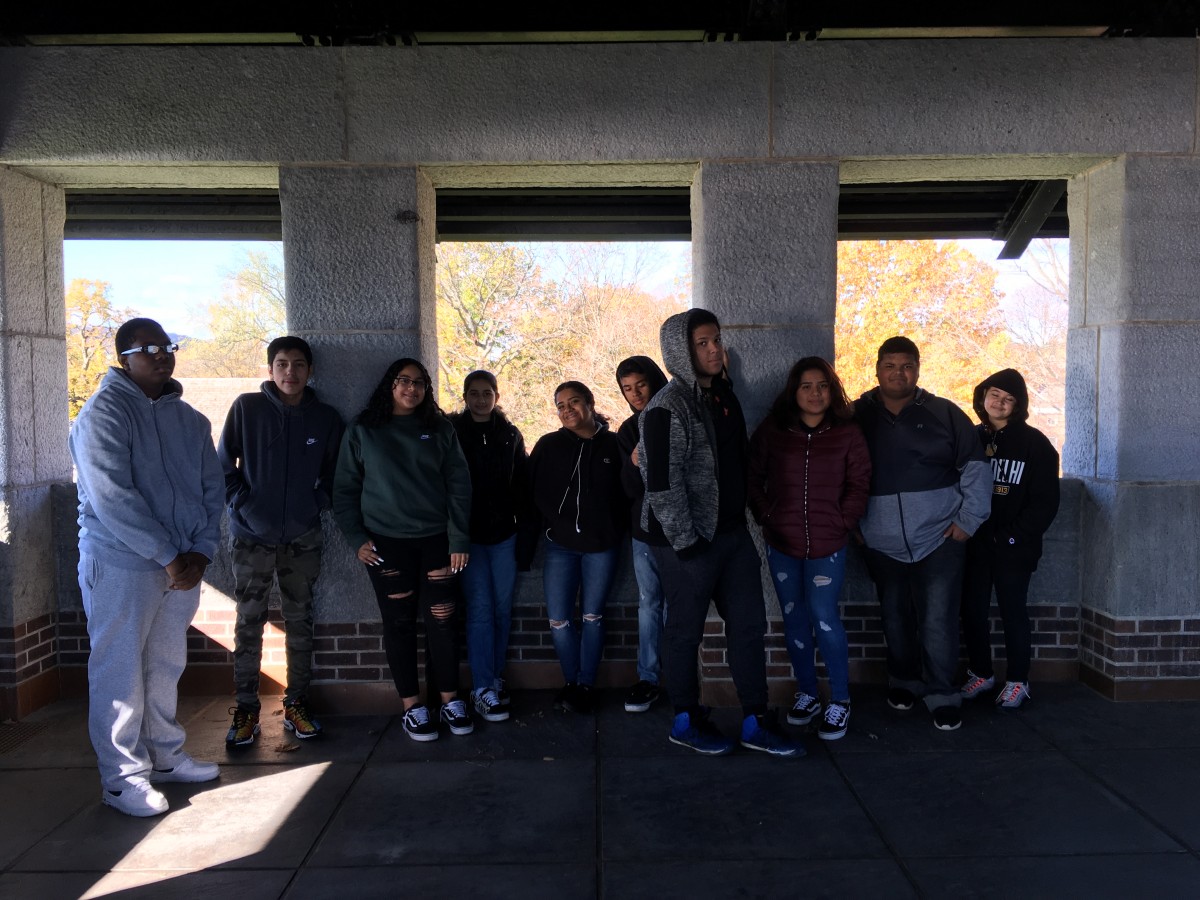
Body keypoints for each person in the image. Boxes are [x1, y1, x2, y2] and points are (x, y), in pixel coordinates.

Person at [70, 317, 223, 817]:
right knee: (119, 673)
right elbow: (113, 498)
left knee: (164, 665)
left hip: (182, 568)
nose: (161, 354)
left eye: (167, 345)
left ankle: (164, 757)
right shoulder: (102, 415)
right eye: (147, 347)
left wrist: (200, 552)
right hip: (122, 565)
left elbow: (211, 491)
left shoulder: (191, 421)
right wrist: (169, 556)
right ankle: (121, 780)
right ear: (124, 358)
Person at [640, 309, 802, 757]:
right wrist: (688, 543)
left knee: (749, 628)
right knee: (685, 632)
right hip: (686, 543)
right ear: (681, 352)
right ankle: (685, 720)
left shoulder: (723, 397)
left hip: (733, 536)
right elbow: (661, 485)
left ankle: (755, 720)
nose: (714, 350)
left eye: (716, 340)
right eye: (702, 344)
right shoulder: (666, 408)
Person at [854, 336, 992, 732]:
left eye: (907, 365)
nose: (899, 373)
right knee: (895, 616)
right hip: (880, 542)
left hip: (940, 539)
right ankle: (904, 681)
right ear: (876, 368)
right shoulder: (854, 415)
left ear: (918, 367)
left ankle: (942, 693)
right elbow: (838, 474)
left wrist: (967, 523)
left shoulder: (944, 413)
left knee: (938, 619)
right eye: (890, 365)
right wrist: (856, 528)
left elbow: (976, 469)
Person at [333, 358, 474, 742]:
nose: (411, 388)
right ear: (389, 386)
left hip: (437, 543)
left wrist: (458, 538)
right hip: (386, 545)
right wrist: (356, 538)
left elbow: (459, 487)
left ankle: (449, 700)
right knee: (398, 624)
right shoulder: (364, 430)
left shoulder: (439, 429)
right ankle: (413, 707)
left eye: (419, 383)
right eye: (403, 381)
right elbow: (344, 490)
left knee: (443, 622)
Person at [218, 336, 344, 746]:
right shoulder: (246, 409)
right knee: (248, 621)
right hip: (251, 536)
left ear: (310, 370)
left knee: (300, 620)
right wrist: (243, 503)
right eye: (282, 364)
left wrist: (314, 504)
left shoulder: (325, 417)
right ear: (271, 369)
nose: (290, 372)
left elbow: (335, 473)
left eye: (299, 365)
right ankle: (245, 709)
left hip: (302, 536)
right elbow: (223, 467)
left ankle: (297, 703)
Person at [749, 357, 871, 741]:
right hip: (782, 542)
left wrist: (843, 520)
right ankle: (807, 692)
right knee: (794, 618)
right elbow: (751, 476)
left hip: (828, 544)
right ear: (794, 391)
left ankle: (840, 699)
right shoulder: (773, 431)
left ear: (832, 390)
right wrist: (766, 516)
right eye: (806, 386)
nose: (815, 393)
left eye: (822, 385)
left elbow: (860, 482)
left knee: (824, 617)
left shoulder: (848, 433)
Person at [960, 368, 1060, 709]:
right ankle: (982, 673)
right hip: (974, 544)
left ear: (1018, 405)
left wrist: (1013, 537)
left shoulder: (1036, 445)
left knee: (1012, 611)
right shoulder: (970, 439)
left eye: (1009, 399)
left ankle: (1018, 680)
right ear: (982, 396)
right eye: (995, 395)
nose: (1000, 403)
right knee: (971, 610)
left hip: (1014, 548)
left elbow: (1045, 502)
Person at [529, 381, 627, 715]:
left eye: (574, 402)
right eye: (560, 405)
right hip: (561, 546)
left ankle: (586, 684)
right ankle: (570, 682)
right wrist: (551, 522)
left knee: (592, 616)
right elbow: (532, 489)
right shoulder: (549, 445)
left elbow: (627, 492)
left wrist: (613, 527)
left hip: (602, 546)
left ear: (589, 403)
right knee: (559, 619)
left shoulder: (613, 445)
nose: (567, 409)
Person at [450, 370, 535, 723]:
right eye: (474, 393)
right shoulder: (452, 432)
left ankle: (494, 679)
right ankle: (482, 686)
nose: (481, 399)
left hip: (504, 537)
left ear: (496, 397)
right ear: (465, 396)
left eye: (487, 393)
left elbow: (522, 487)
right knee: (481, 609)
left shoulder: (509, 435)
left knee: (502, 610)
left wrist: (525, 536)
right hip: (468, 539)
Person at [614, 356, 670, 713]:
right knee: (650, 602)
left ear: (655, 381)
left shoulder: (677, 417)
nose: (635, 394)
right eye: (627, 389)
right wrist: (635, 463)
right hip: (644, 532)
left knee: (682, 604)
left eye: (641, 385)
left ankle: (679, 675)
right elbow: (629, 490)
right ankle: (648, 677)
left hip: (682, 531)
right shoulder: (628, 430)